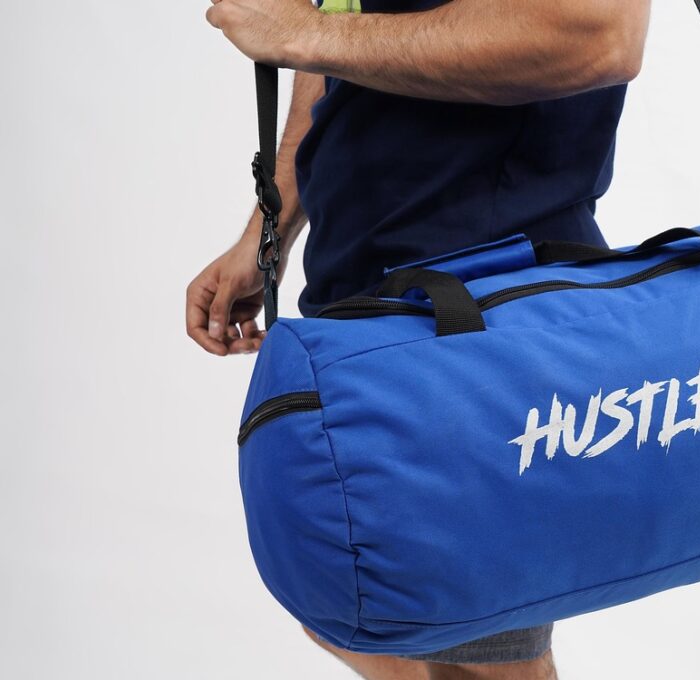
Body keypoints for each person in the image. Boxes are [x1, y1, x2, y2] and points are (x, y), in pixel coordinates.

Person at [187, 0, 651, 677]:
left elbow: (599, 35)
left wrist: (302, 31)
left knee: (478, 655)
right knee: (347, 603)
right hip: (363, 282)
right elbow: (341, 19)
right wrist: (271, 226)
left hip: (477, 303)